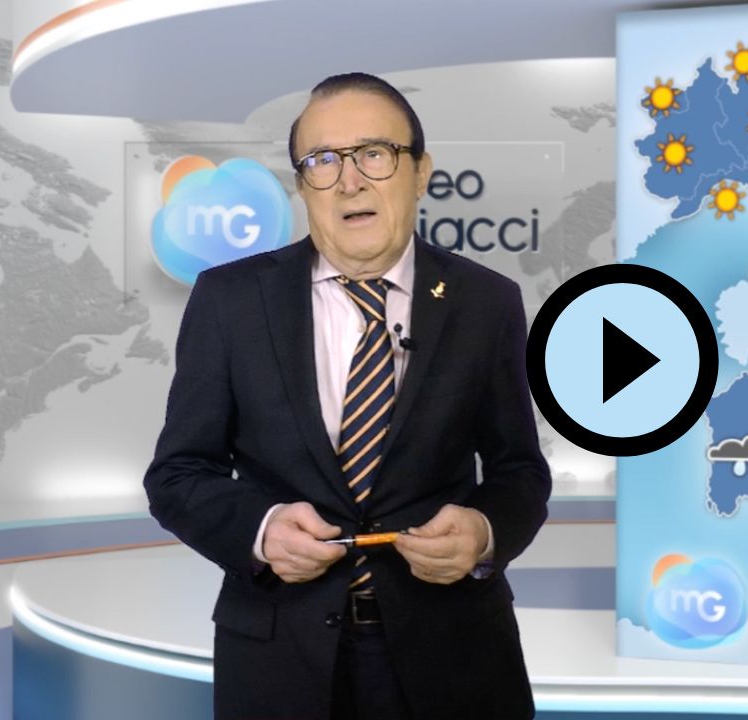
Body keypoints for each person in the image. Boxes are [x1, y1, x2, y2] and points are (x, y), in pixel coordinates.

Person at [144, 71, 550, 720]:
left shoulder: (486, 301)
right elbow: (177, 474)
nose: (349, 181)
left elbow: (518, 470)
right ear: (303, 185)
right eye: (322, 161)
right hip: (279, 661)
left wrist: (482, 532)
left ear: (420, 172)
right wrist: (262, 529)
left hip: (454, 656)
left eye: (374, 154)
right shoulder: (230, 301)